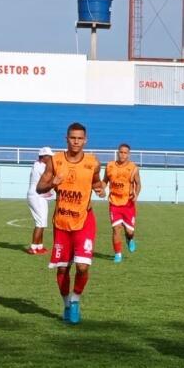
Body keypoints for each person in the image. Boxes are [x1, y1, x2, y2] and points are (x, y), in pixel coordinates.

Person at [37, 123, 105, 324]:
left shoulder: (93, 162)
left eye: (79, 138)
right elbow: (40, 187)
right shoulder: (55, 161)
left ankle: (75, 300)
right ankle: (66, 303)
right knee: (62, 269)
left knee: (83, 267)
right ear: (66, 139)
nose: (76, 141)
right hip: (62, 224)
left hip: (84, 221)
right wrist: (53, 183)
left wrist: (101, 189)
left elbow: (95, 182)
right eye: (72, 138)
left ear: (86, 140)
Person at [103, 143, 142, 263]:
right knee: (116, 229)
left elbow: (138, 184)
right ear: (118, 152)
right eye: (121, 152)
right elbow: (104, 181)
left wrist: (136, 194)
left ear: (128, 154)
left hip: (128, 204)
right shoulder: (109, 166)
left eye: (125, 152)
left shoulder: (133, 168)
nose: (122, 154)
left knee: (129, 231)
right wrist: (100, 189)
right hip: (114, 203)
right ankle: (118, 254)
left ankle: (130, 239)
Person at [26, 146, 54, 255]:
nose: (51, 158)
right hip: (36, 195)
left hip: (38, 194)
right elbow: (49, 178)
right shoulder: (41, 166)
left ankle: (39, 246)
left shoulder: (38, 164)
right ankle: (33, 247)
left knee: (42, 222)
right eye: (49, 156)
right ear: (44, 157)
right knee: (40, 222)